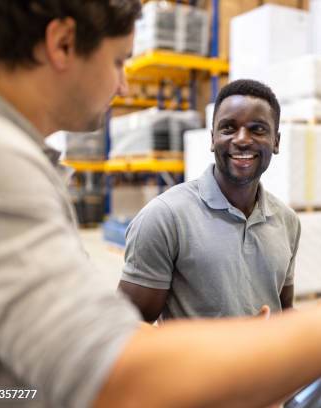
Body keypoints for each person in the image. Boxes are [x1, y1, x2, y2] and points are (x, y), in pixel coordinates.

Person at [0, 1, 321, 407]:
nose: (124, 85)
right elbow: (112, 370)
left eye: (258, 130)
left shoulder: (6, 155)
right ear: (63, 43)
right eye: (118, 60)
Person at [118, 79, 299, 321]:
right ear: (212, 139)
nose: (242, 139)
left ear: (275, 142)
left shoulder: (288, 222)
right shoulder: (165, 217)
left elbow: (283, 309)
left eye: (257, 129)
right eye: (229, 128)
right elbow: (128, 328)